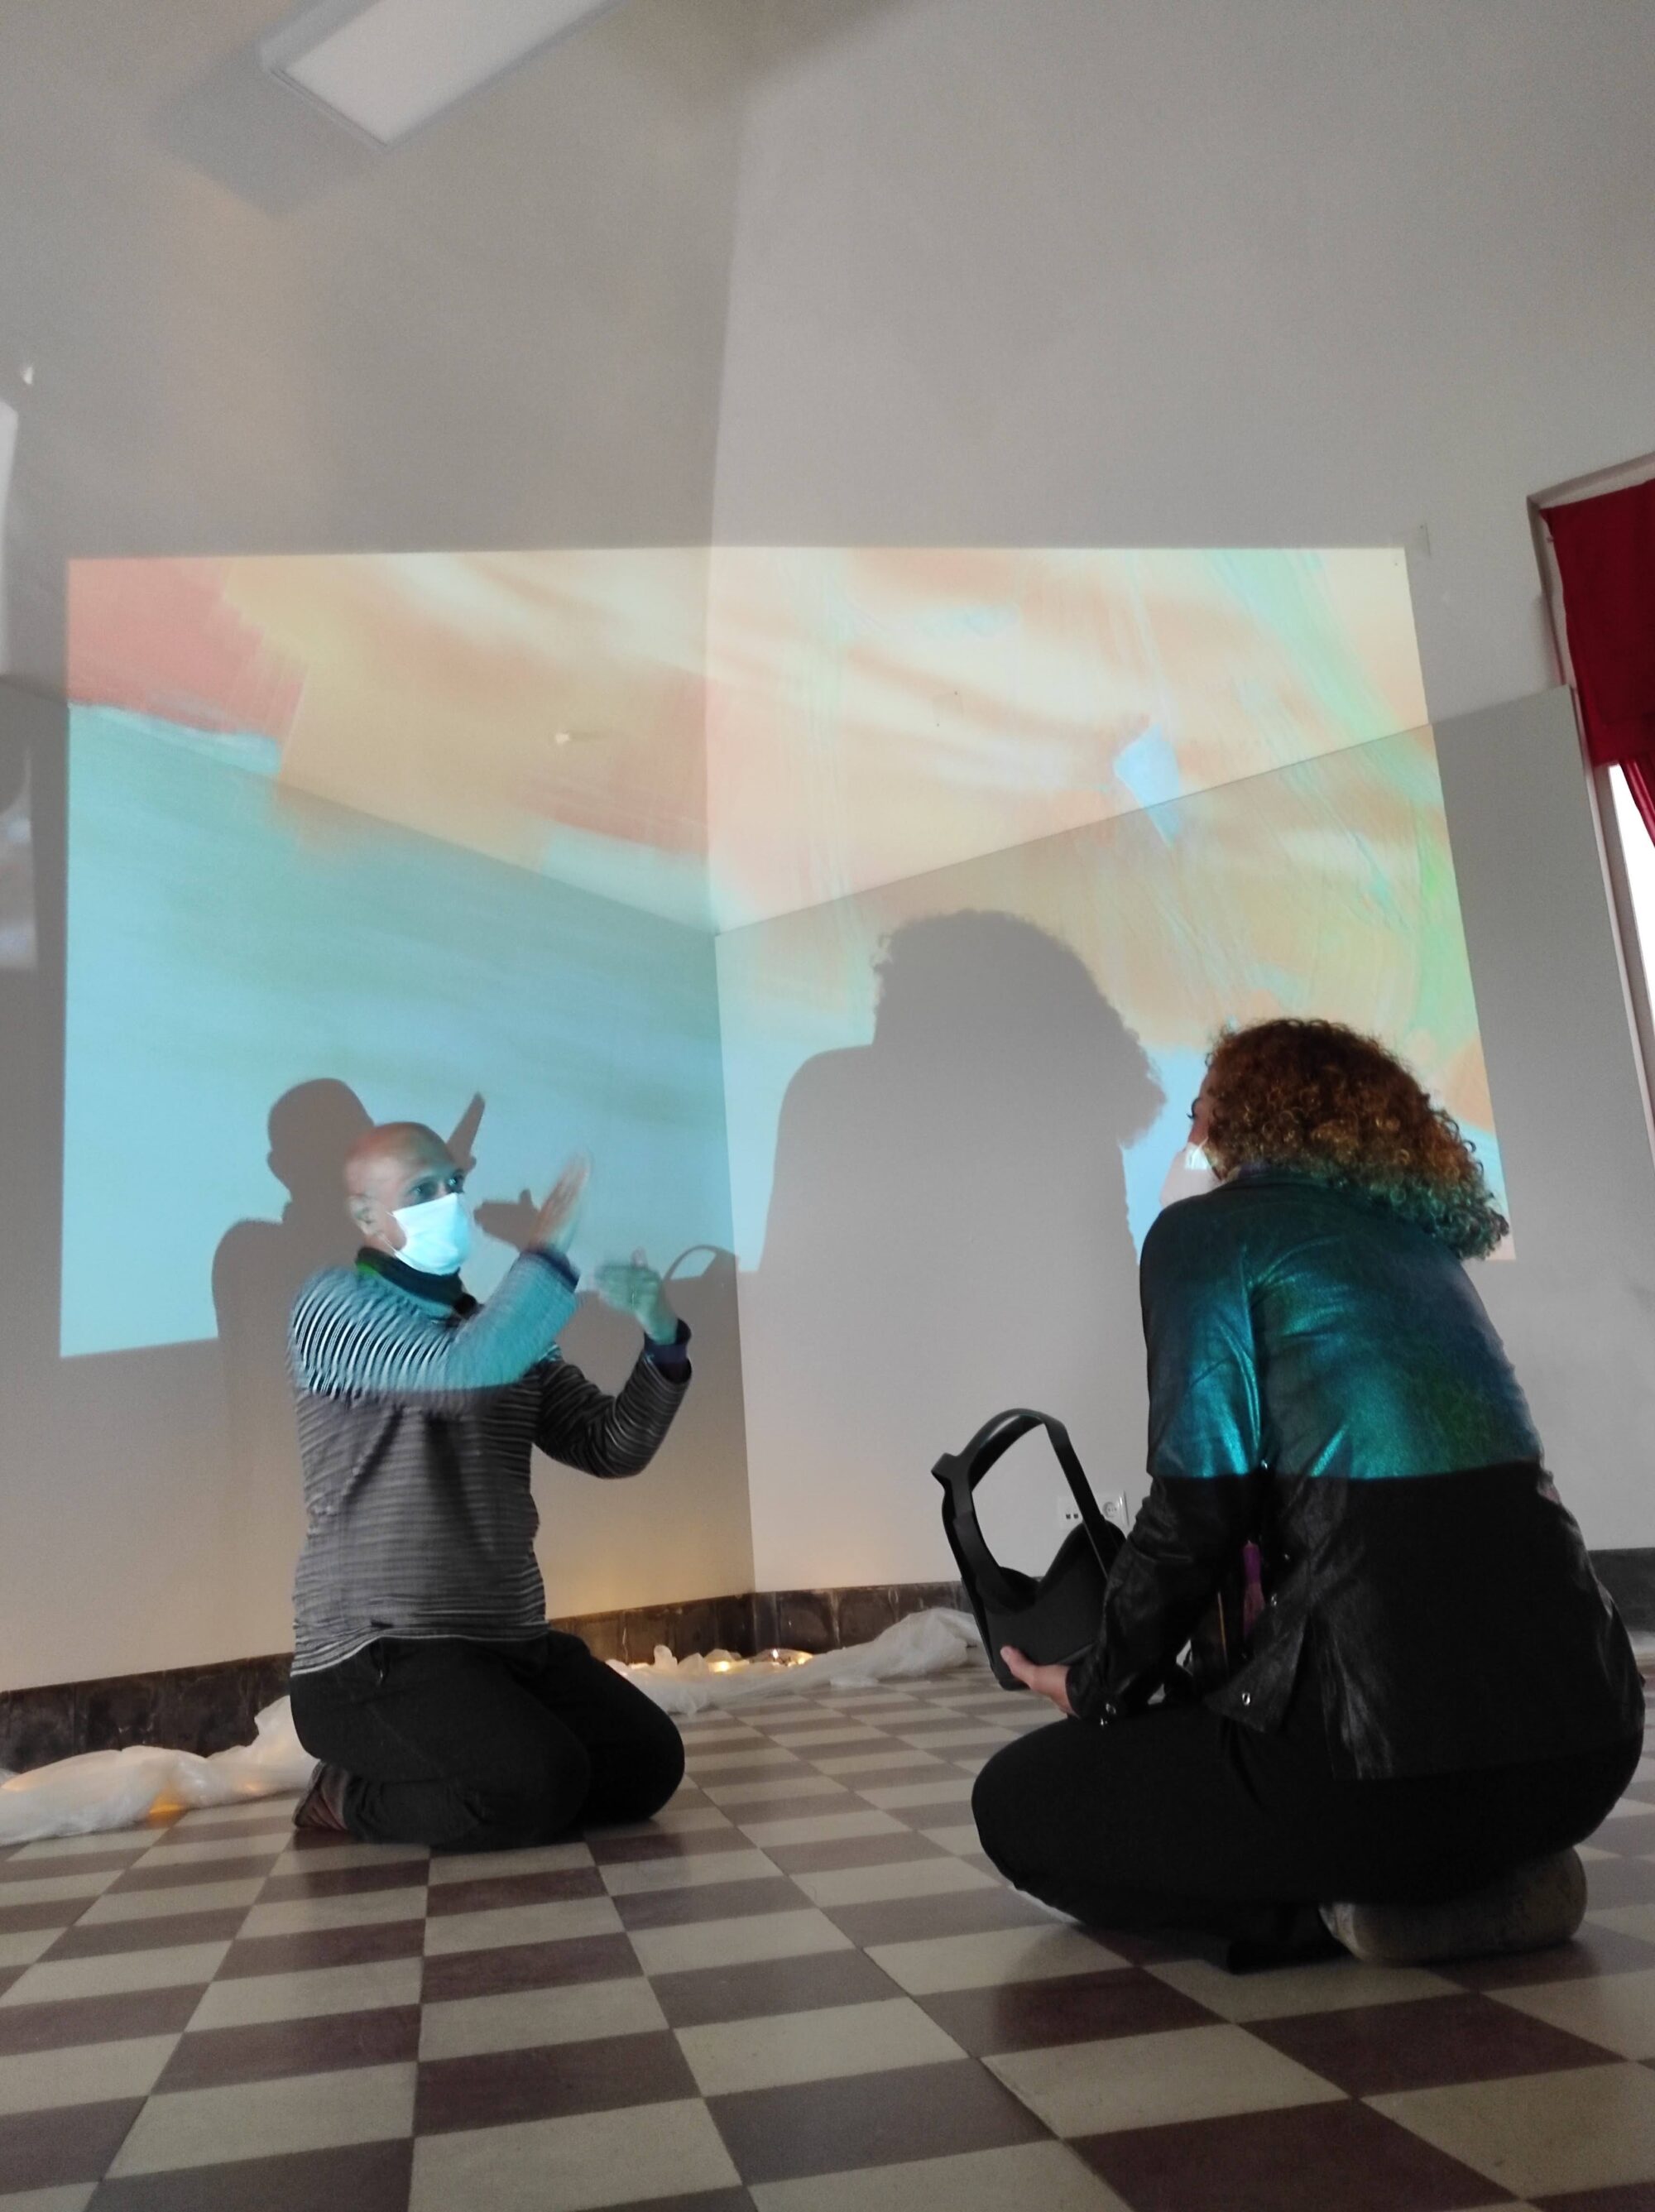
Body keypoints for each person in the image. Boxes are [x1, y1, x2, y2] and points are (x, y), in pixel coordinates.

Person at [973, 1019, 1643, 1970]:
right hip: (1585, 1753)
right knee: (1220, 1744)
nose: (1190, 1124)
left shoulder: (1204, 1234)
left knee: (1016, 1802)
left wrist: (1090, 1684)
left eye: (1202, 1098)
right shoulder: (1415, 1245)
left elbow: (1195, 1513)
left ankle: (1351, 1914)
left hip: (1385, 1767)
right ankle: (1486, 1882)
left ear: (1247, 1111)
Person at [285, 1120, 690, 1850]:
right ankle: (344, 1794)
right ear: (367, 1216)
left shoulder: (498, 1331)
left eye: (454, 1184)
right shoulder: (333, 1304)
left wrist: (662, 1338)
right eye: (421, 1190)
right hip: (376, 1655)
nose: (449, 1200)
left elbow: (609, 1444)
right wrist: (548, 1247)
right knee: (538, 1785)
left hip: (506, 1641)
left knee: (648, 1765)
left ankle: (503, 1761)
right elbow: (459, 1374)